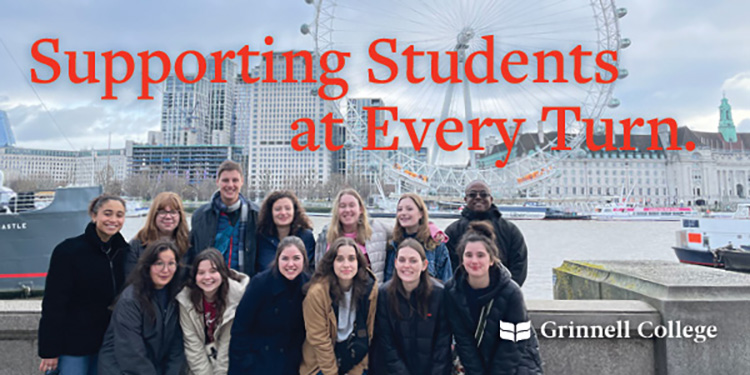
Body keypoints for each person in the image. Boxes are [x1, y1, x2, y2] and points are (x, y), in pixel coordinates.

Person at [38, 194, 128, 375]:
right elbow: (53, 304)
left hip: (107, 344)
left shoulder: (124, 252)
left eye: (119, 215)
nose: (113, 220)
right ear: (94, 216)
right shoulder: (68, 251)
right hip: (73, 344)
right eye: (107, 214)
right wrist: (49, 351)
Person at [444, 222, 542, 375]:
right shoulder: (452, 291)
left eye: (481, 255)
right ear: (462, 259)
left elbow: (513, 344)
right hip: (475, 358)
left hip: (517, 359)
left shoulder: (512, 292)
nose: (474, 261)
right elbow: (464, 341)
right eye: (468, 255)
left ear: (491, 260)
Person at [98, 240, 186, 375]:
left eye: (171, 264)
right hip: (122, 369)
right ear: (147, 266)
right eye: (159, 263)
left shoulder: (175, 298)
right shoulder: (130, 300)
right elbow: (132, 353)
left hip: (152, 368)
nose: (165, 270)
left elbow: (176, 348)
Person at [228, 236, 311, 375]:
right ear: (277, 259)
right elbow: (240, 329)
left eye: (296, 258)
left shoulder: (309, 286)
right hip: (258, 362)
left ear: (304, 260)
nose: (290, 264)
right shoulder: (260, 284)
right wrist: (244, 364)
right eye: (285, 258)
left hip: (292, 363)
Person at [372, 238, 451, 375]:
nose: (406, 265)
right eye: (402, 260)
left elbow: (442, 345)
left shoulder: (440, 294)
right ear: (395, 263)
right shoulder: (384, 294)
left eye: (413, 261)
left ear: (424, 265)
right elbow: (386, 343)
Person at [301, 237, 378, 375]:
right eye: (340, 259)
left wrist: (356, 371)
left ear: (359, 263)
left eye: (351, 258)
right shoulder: (317, 293)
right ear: (332, 263)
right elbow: (319, 340)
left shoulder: (370, 289)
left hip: (355, 355)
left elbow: (369, 334)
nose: (346, 264)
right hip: (322, 362)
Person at [177, 248, 249, 375]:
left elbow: (227, 346)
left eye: (213, 271)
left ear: (222, 272)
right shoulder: (186, 300)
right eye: (201, 272)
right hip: (199, 364)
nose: (207, 277)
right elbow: (193, 346)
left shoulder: (236, 298)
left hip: (229, 362)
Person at [445, 180, 528, 286]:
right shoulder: (452, 231)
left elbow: (519, 265)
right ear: (465, 199)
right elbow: (448, 266)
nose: (478, 197)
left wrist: (507, 291)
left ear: (491, 199)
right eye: (472, 194)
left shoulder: (510, 230)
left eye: (484, 194)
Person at [187, 160, 260, 275]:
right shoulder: (200, 216)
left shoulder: (255, 215)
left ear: (242, 182)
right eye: (225, 180)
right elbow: (192, 254)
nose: (230, 185)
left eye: (235, 180)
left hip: (244, 284)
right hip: (209, 282)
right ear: (217, 182)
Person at [314, 188, 391, 281]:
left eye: (352, 205)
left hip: (370, 293)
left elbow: (401, 233)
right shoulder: (325, 234)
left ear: (361, 209)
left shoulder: (378, 229)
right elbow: (319, 269)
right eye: (342, 206)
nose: (347, 210)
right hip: (334, 292)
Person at [384, 193, 452, 283]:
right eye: (399, 210)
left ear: (421, 213)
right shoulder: (393, 244)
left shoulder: (435, 244)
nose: (403, 213)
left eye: (409, 209)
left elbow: (446, 280)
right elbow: (388, 280)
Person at [125, 191, 190, 277]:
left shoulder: (189, 243)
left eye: (173, 212)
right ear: (154, 215)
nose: (168, 217)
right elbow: (130, 278)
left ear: (180, 215)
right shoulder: (137, 245)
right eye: (162, 212)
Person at [255, 190, 315, 272]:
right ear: (270, 212)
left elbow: (310, 270)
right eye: (277, 209)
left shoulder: (306, 236)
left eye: (287, 208)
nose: (283, 212)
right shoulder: (260, 236)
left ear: (294, 211)